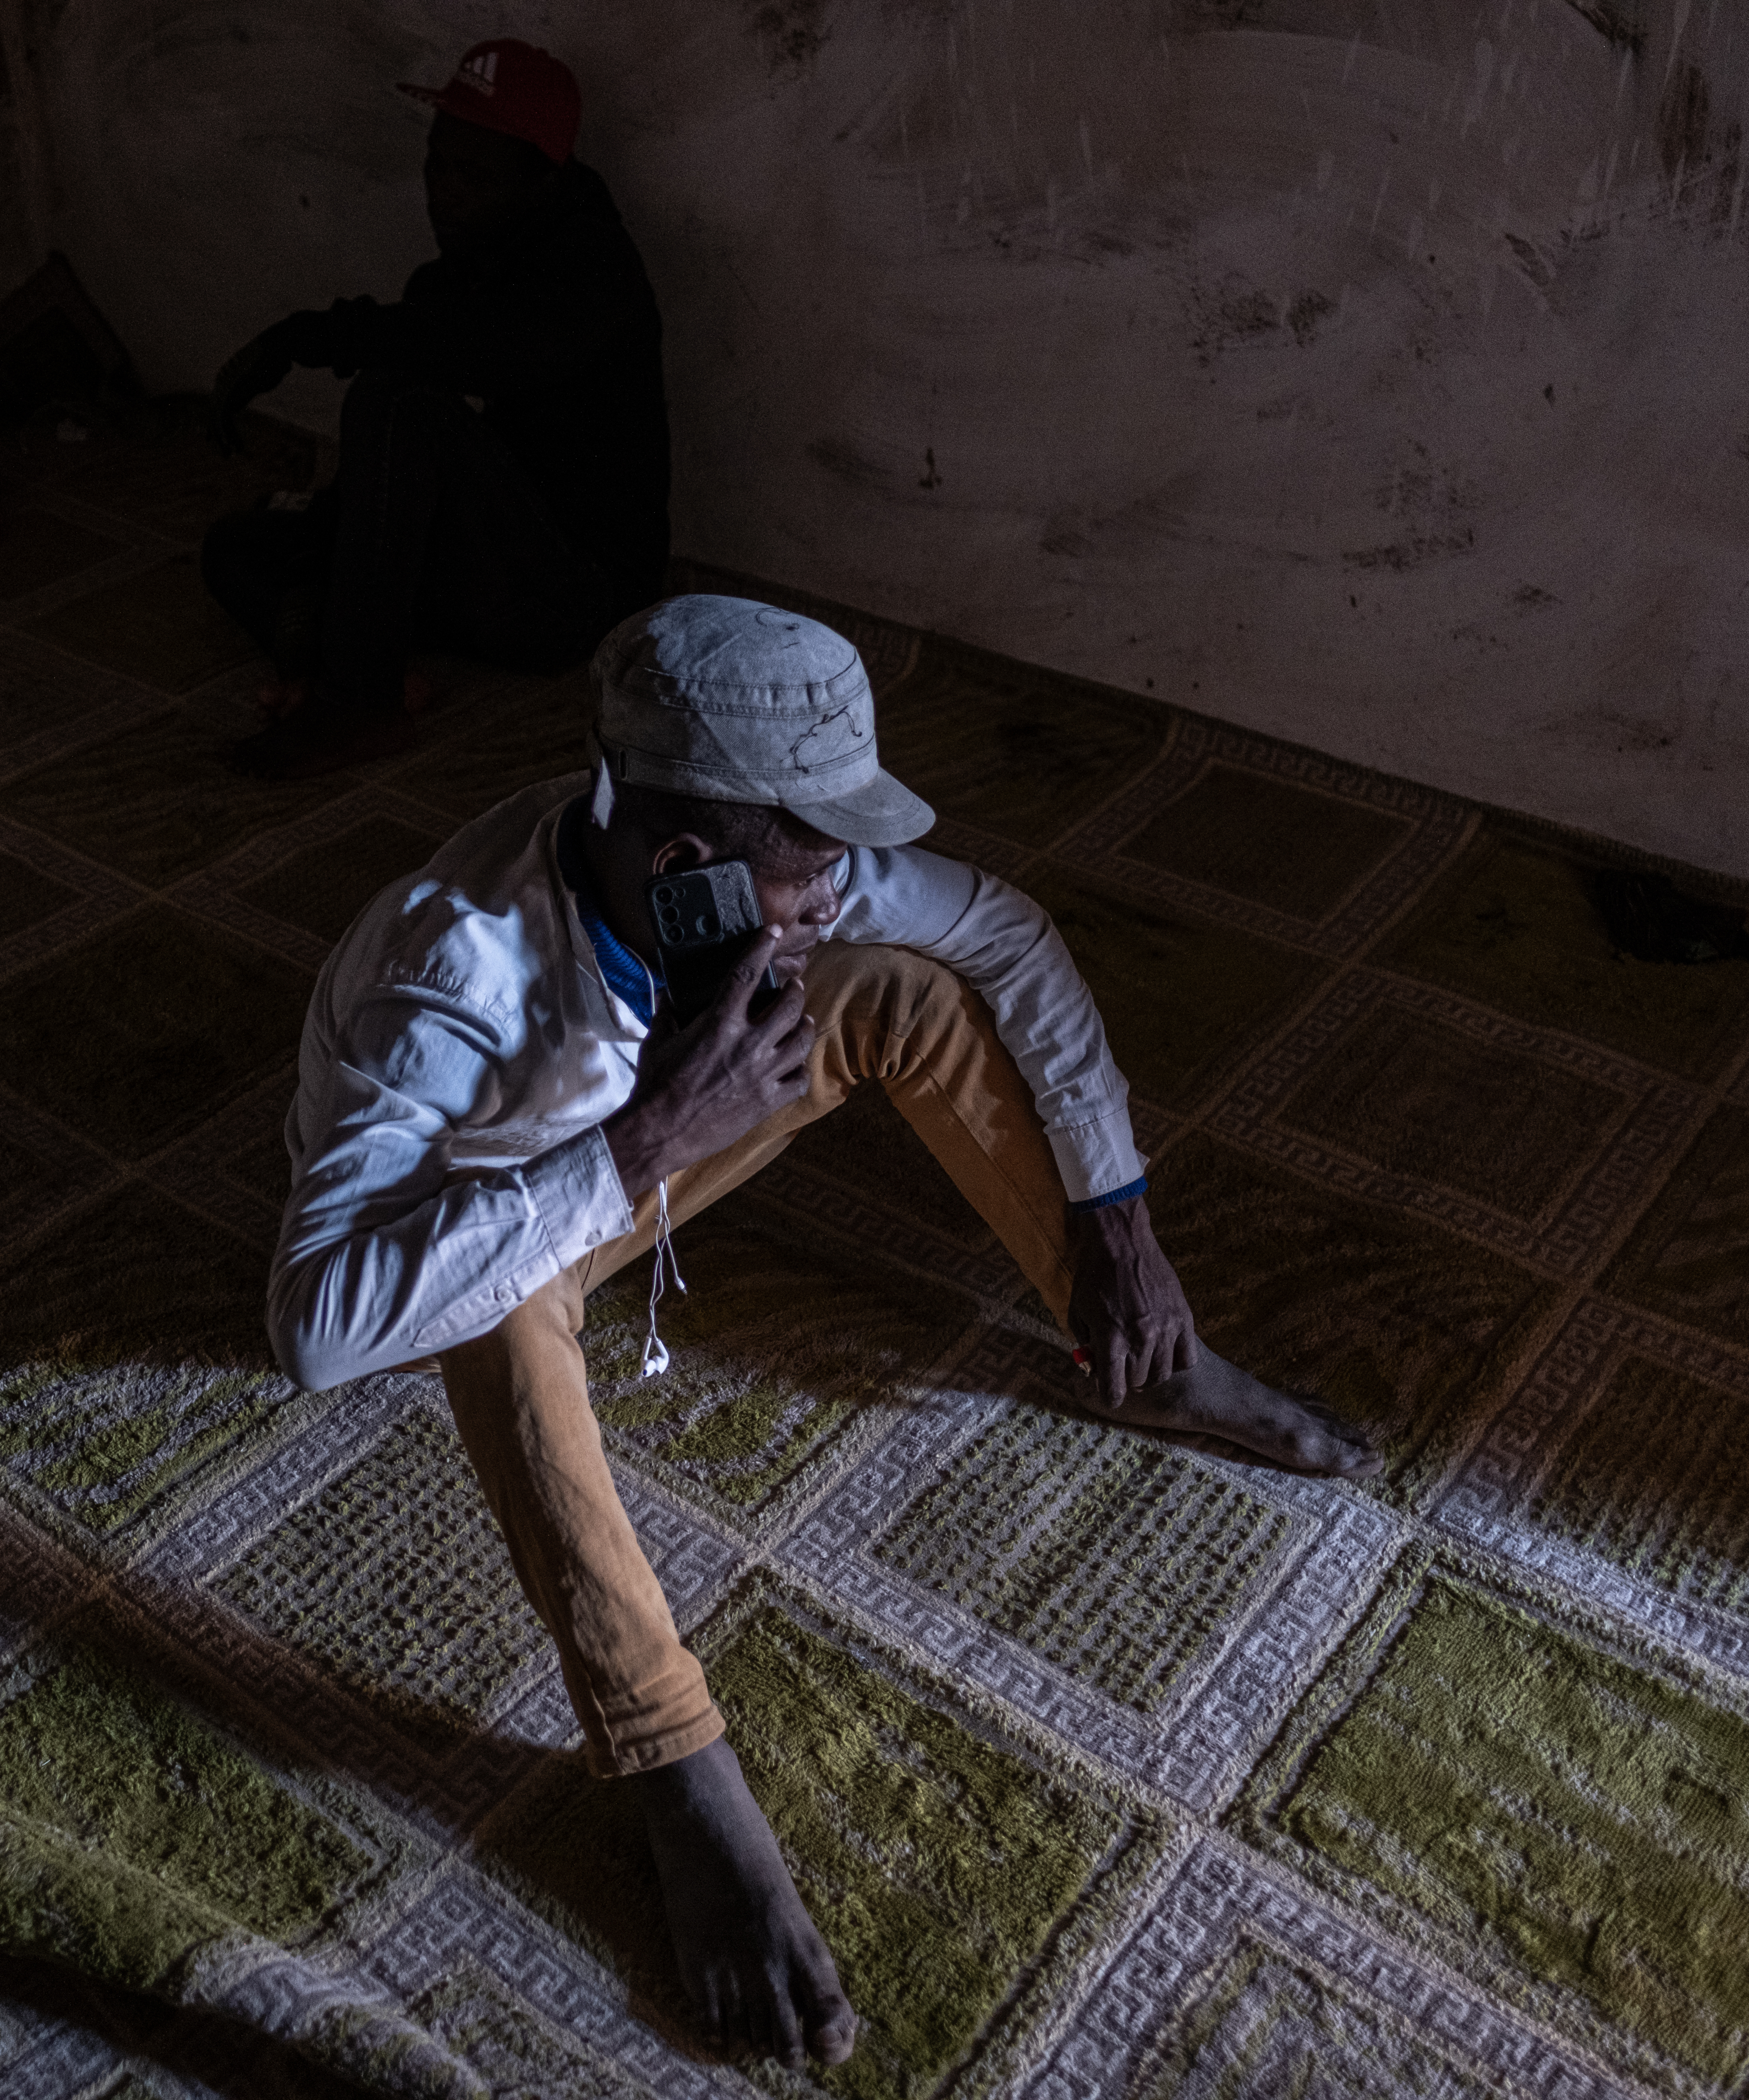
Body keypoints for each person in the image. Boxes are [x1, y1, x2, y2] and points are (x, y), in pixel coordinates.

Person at [268, 596, 1379, 2066]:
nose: (830, 894)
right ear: (685, 870)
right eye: (799, 881)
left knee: (905, 995)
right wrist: (642, 1140)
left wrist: (1114, 1212)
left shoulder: (771, 872)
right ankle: (670, 1759)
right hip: (493, 1217)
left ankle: (1140, 1359)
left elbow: (1009, 935)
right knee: (499, 1322)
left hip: (655, 1139)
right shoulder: (448, 978)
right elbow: (311, 1324)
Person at [203, 40, 668, 780]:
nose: (443, 192)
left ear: (542, 183)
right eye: (437, 164)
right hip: (487, 569)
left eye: (473, 175)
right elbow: (434, 350)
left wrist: (304, 338)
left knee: (398, 400)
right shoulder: (473, 262)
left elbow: (468, 352)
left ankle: (359, 701)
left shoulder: (592, 275)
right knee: (239, 546)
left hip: (572, 599)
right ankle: (339, 664)